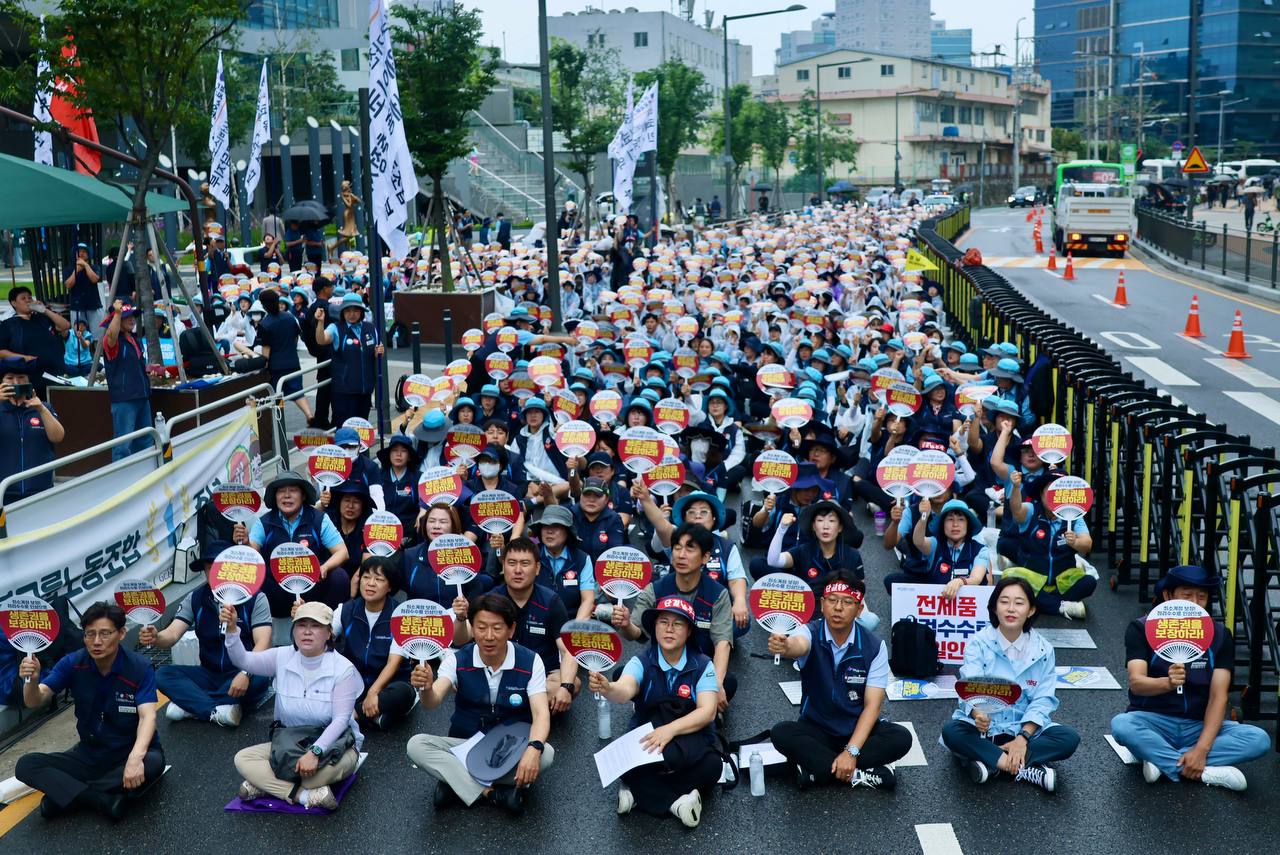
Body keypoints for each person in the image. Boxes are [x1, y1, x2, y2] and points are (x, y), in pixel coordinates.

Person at [1110, 564, 1270, 790]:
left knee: (1259, 739)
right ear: (1168, 595)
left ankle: (1164, 760)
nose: (1194, 604)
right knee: (1122, 725)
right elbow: (1137, 683)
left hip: (1199, 724)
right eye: (1187, 596)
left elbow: (1218, 697)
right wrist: (1167, 682)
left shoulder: (1220, 635)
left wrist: (1202, 749)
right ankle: (1204, 772)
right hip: (1153, 720)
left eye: (1201, 597)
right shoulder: (1141, 628)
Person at [406, 594, 554, 814]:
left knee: (547, 753)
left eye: (497, 628)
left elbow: (541, 713)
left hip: (508, 747)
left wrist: (534, 749)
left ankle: (455, 781)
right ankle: (492, 793)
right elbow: (432, 701)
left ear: (511, 630)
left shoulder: (531, 661)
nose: (489, 636)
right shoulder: (456, 659)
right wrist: (426, 687)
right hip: (464, 742)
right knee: (415, 745)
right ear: (472, 628)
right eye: (481, 627)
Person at [15, 602, 165, 819]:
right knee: (26, 765)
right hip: (88, 755)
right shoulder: (73, 662)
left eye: (105, 634)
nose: (96, 642)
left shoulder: (139, 667)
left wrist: (135, 758)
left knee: (153, 762)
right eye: (90, 634)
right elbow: (34, 700)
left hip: (127, 754)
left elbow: (148, 716)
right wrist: (32, 681)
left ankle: (68, 795)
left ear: (121, 633)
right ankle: (100, 799)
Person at [768, 572, 911, 791]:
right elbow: (798, 644)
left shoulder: (874, 647)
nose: (838, 608)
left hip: (857, 731)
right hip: (817, 728)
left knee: (901, 738)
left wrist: (851, 751)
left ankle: (818, 772)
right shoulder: (810, 631)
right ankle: (859, 775)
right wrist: (786, 647)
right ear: (822, 604)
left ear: (859, 609)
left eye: (847, 602)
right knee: (781, 732)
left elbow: (873, 706)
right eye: (832, 600)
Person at [590, 596, 720, 828]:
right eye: (663, 622)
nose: (669, 630)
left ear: (689, 631)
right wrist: (608, 688)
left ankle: (639, 794)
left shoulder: (703, 665)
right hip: (649, 741)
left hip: (689, 740)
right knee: (626, 764)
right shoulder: (641, 661)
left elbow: (708, 712)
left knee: (713, 768)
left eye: (677, 624)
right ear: (655, 627)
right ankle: (676, 803)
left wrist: (669, 730)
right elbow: (625, 689)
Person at [940, 576, 1080, 791]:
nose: (1011, 609)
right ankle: (1020, 768)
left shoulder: (1044, 649)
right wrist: (978, 714)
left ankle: (991, 762)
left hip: (1021, 727)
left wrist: (1023, 738)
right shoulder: (979, 643)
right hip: (985, 728)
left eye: (1019, 602)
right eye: (1004, 602)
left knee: (1068, 738)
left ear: (1031, 610)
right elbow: (968, 686)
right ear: (994, 608)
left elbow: (1043, 699)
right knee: (952, 732)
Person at [224, 600, 362, 810]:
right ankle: (302, 795)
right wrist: (232, 629)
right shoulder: (282, 656)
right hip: (290, 743)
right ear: (293, 630)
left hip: (336, 745)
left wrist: (315, 752)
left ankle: (265, 784)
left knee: (312, 777)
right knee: (242, 759)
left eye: (315, 626)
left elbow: (341, 720)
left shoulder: (343, 669)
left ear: (329, 633)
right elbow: (243, 661)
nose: (307, 632)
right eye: (301, 625)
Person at [142, 548, 273, 727]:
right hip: (208, 674)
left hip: (242, 671)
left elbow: (263, 642)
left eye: (219, 567)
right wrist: (156, 637)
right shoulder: (195, 598)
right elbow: (171, 635)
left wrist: (245, 672)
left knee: (260, 678)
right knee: (162, 675)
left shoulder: (256, 598)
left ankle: (190, 705)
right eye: (208, 568)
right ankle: (215, 710)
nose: (213, 573)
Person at [615, 524, 738, 710]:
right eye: (677, 547)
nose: (681, 554)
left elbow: (722, 642)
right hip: (660, 666)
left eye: (690, 548)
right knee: (621, 675)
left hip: (698, 669)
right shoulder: (655, 589)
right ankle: (688, 707)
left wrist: (716, 684)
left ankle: (670, 705)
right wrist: (625, 625)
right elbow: (636, 633)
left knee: (728, 682)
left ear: (705, 557)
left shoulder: (718, 594)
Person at [233, 472, 351, 615]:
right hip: (277, 589)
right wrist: (245, 542)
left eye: (293, 490)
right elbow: (251, 556)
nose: (287, 495)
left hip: (313, 585)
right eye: (281, 491)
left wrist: (324, 567)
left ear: (303, 495)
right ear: (275, 496)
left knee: (339, 577)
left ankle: (330, 625)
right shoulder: (264, 522)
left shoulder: (319, 518)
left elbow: (342, 552)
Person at [487, 537, 580, 715]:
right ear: (503, 565)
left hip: (543, 676)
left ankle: (513, 710)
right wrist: (460, 618)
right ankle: (529, 711)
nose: (518, 570)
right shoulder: (492, 600)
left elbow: (568, 649)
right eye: (512, 563)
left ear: (537, 568)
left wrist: (566, 686)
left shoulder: (550, 601)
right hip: (501, 674)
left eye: (525, 563)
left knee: (573, 683)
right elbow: (466, 638)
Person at [332, 557, 417, 731]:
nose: (370, 583)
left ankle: (352, 715)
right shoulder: (346, 610)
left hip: (388, 685)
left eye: (379, 579)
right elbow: (324, 636)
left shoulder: (400, 616)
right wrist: (304, 619)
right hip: (354, 683)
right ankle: (372, 715)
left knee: (403, 693)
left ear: (390, 586)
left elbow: (394, 662)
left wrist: (374, 692)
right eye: (366, 577)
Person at [1007, 469, 1096, 619]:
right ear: (1041, 494)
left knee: (1089, 582)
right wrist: (1016, 487)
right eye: (1050, 491)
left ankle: (1040, 602)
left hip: (1062, 581)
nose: (1054, 496)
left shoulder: (1074, 516)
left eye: (1059, 492)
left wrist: (1075, 542)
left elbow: (1087, 544)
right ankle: (1061, 606)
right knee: (1011, 583)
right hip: (1032, 580)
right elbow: (1016, 510)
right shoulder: (1031, 510)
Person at [0, 356, 65, 502]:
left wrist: (41, 409)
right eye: (10, 378)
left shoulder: (43, 407)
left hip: (41, 492)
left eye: (21, 377)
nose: (16, 382)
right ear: (2, 382)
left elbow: (58, 437)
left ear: (28, 380)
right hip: (4, 494)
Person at [315, 292, 384, 425]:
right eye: (348, 310)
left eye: (355, 310)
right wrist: (320, 322)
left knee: (362, 428)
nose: (352, 314)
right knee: (344, 429)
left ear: (361, 312)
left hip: (365, 391)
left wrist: (379, 351)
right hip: (343, 392)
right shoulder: (335, 328)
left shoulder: (370, 328)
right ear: (342, 312)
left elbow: (377, 351)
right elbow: (321, 340)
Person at [102, 299, 153, 462]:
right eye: (127, 316)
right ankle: (121, 481)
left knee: (146, 443)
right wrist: (117, 313)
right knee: (123, 446)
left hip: (142, 397)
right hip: (124, 401)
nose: (132, 319)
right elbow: (111, 335)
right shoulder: (111, 340)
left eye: (133, 316)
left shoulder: (133, 339)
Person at [529, 504, 595, 619]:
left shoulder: (582, 559)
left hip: (570, 623)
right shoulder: (530, 554)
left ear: (567, 532)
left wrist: (573, 631)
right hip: (535, 622)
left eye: (556, 526)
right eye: (545, 526)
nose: (549, 531)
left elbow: (587, 600)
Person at [257, 289, 312, 423]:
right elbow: (295, 337)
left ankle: (278, 422)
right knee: (297, 391)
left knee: (277, 395)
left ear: (264, 305)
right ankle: (309, 414)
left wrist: (264, 365)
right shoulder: (289, 317)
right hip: (293, 361)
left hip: (276, 366)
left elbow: (266, 349)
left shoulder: (264, 324)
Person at [0, 286, 69, 386]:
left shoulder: (42, 318)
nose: (28, 301)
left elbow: (65, 325)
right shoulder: (8, 325)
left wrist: (45, 310)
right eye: (23, 298)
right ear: (14, 303)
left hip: (56, 371)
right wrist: (24, 358)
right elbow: (1, 351)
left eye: (30, 298)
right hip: (32, 374)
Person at [62, 242, 103, 332]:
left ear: (88, 255)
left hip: (93, 305)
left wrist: (85, 265)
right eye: (79, 252)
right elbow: (68, 285)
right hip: (77, 307)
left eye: (84, 251)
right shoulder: (69, 269)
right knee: (79, 335)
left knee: (97, 335)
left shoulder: (95, 267)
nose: (81, 253)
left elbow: (94, 279)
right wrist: (76, 270)